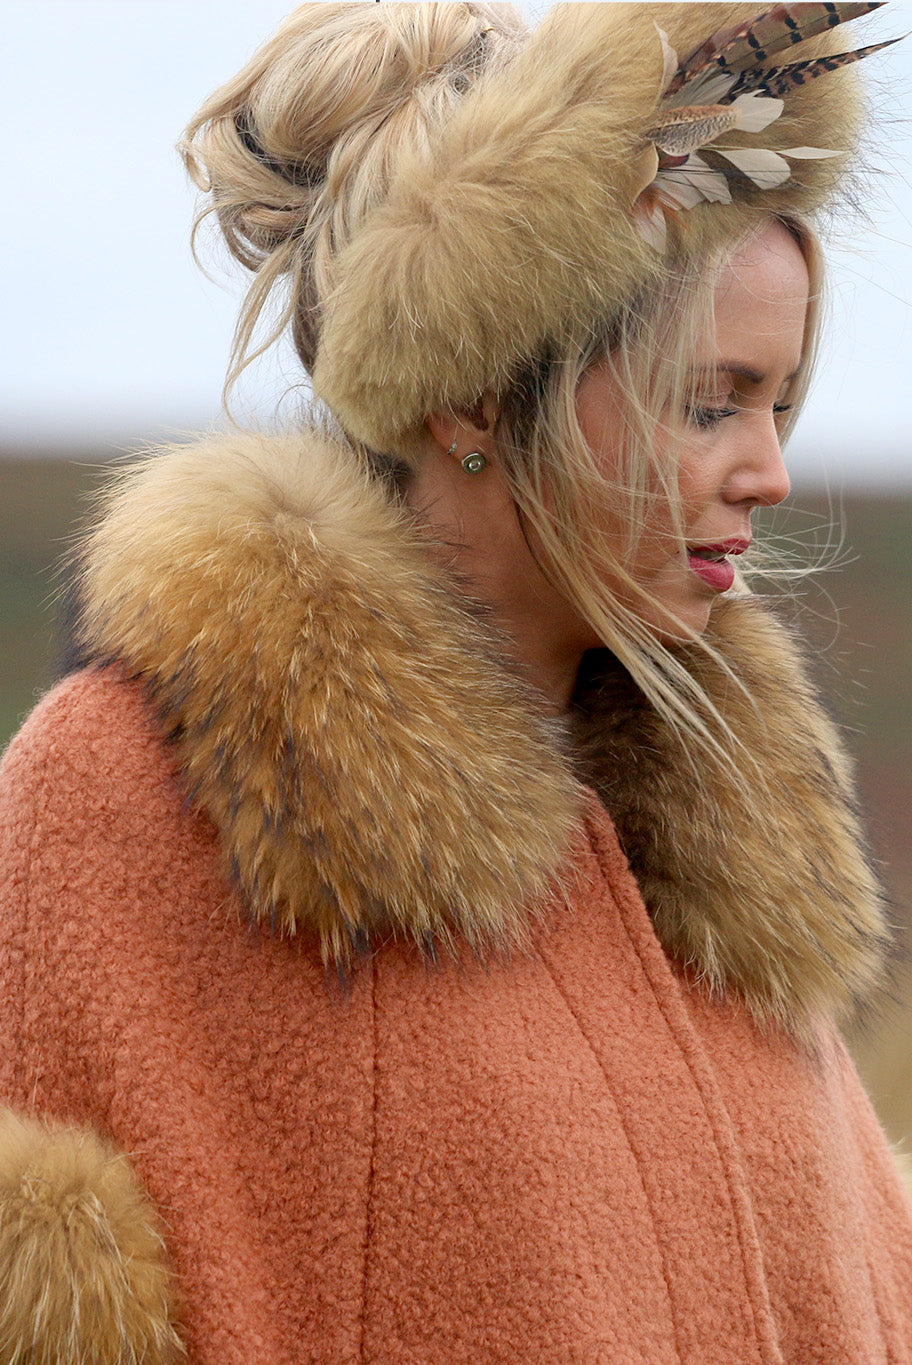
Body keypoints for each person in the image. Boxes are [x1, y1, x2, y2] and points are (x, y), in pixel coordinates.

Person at [0, 4, 910, 1362]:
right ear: (475, 396)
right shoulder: (138, 801)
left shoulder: (727, 877)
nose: (769, 472)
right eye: (708, 401)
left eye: (778, 403)